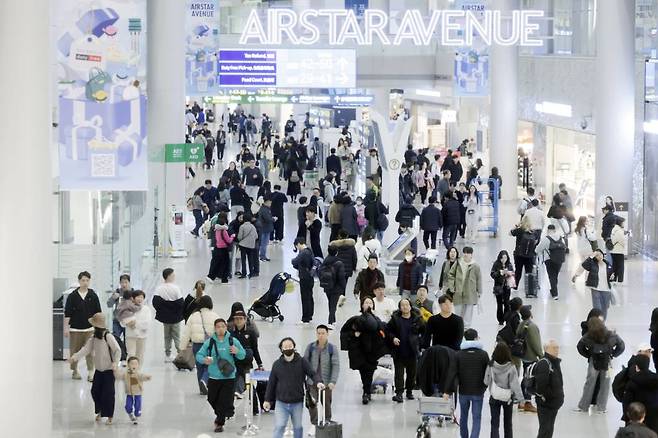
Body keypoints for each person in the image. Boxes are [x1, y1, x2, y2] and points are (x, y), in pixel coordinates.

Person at [264, 337, 322, 438]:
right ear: (281, 349)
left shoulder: (302, 362)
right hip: (281, 402)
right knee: (280, 426)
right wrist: (267, 400)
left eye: (290, 346)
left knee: (298, 427)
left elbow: (312, 373)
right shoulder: (277, 365)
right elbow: (271, 383)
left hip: (297, 402)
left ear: (294, 347)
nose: (288, 348)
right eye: (285, 347)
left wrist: (318, 382)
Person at [195, 318, 246, 433]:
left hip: (229, 377)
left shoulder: (233, 341)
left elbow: (243, 356)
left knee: (223, 400)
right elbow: (199, 355)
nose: (221, 328)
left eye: (223, 326)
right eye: (218, 327)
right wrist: (204, 360)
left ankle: (219, 422)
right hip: (214, 377)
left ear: (226, 327)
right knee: (211, 399)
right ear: (215, 328)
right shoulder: (210, 342)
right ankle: (225, 411)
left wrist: (237, 351)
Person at [69, 313, 121, 425]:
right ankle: (100, 410)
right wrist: (74, 357)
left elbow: (117, 350)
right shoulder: (94, 337)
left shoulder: (108, 336)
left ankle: (109, 416)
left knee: (108, 394)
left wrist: (116, 363)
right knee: (95, 391)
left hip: (108, 371)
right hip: (99, 370)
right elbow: (85, 349)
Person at [340, 298, 389, 405]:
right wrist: (354, 334)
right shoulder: (355, 319)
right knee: (363, 371)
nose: (368, 304)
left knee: (369, 371)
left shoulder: (377, 320)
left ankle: (366, 391)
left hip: (372, 351)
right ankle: (366, 391)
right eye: (366, 302)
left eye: (370, 303)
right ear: (362, 305)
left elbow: (384, 331)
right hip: (359, 351)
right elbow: (345, 332)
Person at [574, 316, 625, 414]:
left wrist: (588, 355)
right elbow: (621, 345)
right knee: (605, 384)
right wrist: (613, 354)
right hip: (608, 362)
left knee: (589, 383)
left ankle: (583, 406)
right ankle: (602, 408)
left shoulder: (589, 336)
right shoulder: (611, 335)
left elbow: (580, 346)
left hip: (594, 361)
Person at [451, 328, 490, 438]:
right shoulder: (483, 354)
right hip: (478, 391)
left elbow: (453, 372)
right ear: (476, 338)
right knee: (476, 417)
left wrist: (449, 389)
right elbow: (488, 372)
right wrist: (485, 386)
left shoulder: (458, 354)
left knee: (463, 416)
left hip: (463, 391)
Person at [64, 271, 102, 381]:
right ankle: (75, 371)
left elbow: (98, 312)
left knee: (90, 351)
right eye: (83, 280)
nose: (85, 282)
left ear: (89, 281)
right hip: (75, 328)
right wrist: (66, 328)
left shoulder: (93, 295)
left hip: (90, 328)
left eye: (87, 280)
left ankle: (91, 372)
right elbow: (68, 313)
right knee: (75, 351)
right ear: (79, 281)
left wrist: (99, 328)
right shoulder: (72, 296)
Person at [303, 326, 340, 436]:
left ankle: (327, 422)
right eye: (318, 333)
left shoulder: (332, 349)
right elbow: (305, 363)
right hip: (312, 382)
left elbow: (335, 365)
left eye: (323, 333)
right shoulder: (310, 347)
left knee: (327, 404)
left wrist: (333, 381)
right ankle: (314, 424)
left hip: (326, 382)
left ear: (327, 334)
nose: (320, 335)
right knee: (312, 404)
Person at [180, 295, 219, 395]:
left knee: (200, 366)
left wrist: (182, 347)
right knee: (209, 365)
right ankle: (205, 381)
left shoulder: (193, 316)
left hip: (197, 345)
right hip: (210, 344)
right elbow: (220, 331)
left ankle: (202, 389)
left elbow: (186, 333)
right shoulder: (215, 316)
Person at [387, 298, 424, 403]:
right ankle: (399, 393)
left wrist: (419, 343)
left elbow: (424, 331)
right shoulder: (395, 319)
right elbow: (388, 330)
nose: (405, 307)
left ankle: (409, 391)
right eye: (402, 305)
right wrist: (393, 338)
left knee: (411, 374)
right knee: (399, 374)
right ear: (399, 307)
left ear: (410, 306)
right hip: (399, 351)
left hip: (412, 351)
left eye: (407, 304)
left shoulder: (417, 319)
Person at [485, 343, 524, 438]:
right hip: (507, 398)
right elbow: (515, 385)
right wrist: (521, 399)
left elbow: (486, 381)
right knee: (508, 423)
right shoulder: (511, 366)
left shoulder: (491, 365)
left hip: (494, 396)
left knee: (494, 423)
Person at [228, 305, 263, 397]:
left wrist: (260, 363)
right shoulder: (230, 333)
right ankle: (238, 391)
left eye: (240, 318)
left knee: (248, 382)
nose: (238, 321)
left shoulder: (251, 332)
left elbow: (255, 348)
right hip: (235, 362)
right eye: (236, 319)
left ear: (245, 319)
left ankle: (254, 406)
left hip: (247, 361)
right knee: (237, 377)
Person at [152, 268, 184, 362]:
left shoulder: (159, 288)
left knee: (167, 336)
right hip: (175, 317)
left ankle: (167, 354)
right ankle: (180, 355)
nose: (174, 277)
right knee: (177, 336)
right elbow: (181, 302)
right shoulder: (175, 288)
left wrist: (163, 309)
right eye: (173, 275)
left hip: (165, 317)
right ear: (169, 276)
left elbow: (155, 302)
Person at [534, 340, 564, 438]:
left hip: (552, 404)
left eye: (557, 347)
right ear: (547, 349)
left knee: (548, 429)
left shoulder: (554, 362)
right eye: (554, 348)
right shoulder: (544, 364)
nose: (557, 350)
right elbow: (541, 386)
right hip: (546, 404)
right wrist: (552, 395)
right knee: (545, 430)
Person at [572, 249, 614, 319]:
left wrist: (612, 276)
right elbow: (584, 265)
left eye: (600, 254)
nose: (599, 256)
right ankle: (597, 325)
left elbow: (611, 275)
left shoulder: (608, 264)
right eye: (597, 255)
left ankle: (602, 324)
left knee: (605, 308)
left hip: (606, 289)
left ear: (603, 254)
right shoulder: (592, 264)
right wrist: (591, 257)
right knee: (597, 309)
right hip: (595, 289)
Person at [447, 246, 482, 328]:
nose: (466, 255)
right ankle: (456, 327)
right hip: (458, 292)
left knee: (468, 313)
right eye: (465, 253)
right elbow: (451, 274)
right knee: (457, 311)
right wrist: (452, 287)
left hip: (470, 292)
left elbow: (479, 279)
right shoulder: (458, 263)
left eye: (468, 253)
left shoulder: (475, 266)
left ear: (471, 255)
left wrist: (479, 291)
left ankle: (466, 328)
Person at [517, 305, 542, 413]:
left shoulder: (521, 324)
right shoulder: (532, 326)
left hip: (523, 355)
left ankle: (521, 401)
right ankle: (527, 401)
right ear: (530, 314)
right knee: (529, 379)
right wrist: (541, 355)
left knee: (525, 376)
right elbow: (536, 343)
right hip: (531, 356)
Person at [107, 274, 133, 363]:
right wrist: (113, 298)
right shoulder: (117, 292)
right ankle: (119, 356)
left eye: (126, 282)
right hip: (117, 320)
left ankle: (125, 357)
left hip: (128, 321)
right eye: (122, 282)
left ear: (129, 283)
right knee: (115, 338)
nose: (124, 284)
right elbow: (109, 305)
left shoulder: (133, 293)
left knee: (128, 339)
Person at [117, 356, 151, 425]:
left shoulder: (138, 374)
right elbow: (119, 376)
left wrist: (147, 377)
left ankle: (136, 416)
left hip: (138, 393)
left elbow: (143, 377)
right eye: (132, 363)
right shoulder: (125, 374)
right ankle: (130, 413)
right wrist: (115, 371)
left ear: (138, 365)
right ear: (128, 365)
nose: (134, 365)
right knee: (128, 406)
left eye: (136, 364)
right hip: (129, 393)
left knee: (138, 405)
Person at [535, 224, 566, 300]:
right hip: (560, 259)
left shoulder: (546, 239)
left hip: (549, 260)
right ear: (555, 230)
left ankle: (555, 294)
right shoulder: (561, 238)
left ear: (548, 230)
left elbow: (537, 249)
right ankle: (553, 289)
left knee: (551, 276)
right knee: (555, 275)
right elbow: (564, 247)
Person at [318, 246, 347, 329]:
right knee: (333, 305)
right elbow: (341, 276)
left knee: (331, 303)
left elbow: (320, 272)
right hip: (336, 287)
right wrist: (343, 286)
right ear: (337, 252)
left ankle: (333, 320)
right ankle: (330, 322)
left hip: (327, 286)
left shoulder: (325, 261)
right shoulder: (339, 263)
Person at [510, 215, 537, 297]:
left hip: (519, 254)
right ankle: (529, 290)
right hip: (530, 255)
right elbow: (536, 242)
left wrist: (516, 225)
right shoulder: (534, 232)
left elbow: (510, 233)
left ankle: (515, 287)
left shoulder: (519, 230)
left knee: (518, 271)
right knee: (529, 272)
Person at [122, 290, 151, 365]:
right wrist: (128, 323)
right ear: (133, 298)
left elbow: (147, 323)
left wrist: (135, 324)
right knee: (131, 354)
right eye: (138, 297)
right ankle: (130, 372)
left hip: (142, 335)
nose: (140, 299)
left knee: (140, 355)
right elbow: (122, 322)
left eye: (142, 297)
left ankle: (138, 372)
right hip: (130, 335)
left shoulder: (146, 309)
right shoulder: (127, 308)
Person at [292, 237, 315, 325]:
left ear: (298, 244)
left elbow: (295, 261)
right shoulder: (309, 250)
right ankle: (310, 315)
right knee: (310, 296)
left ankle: (305, 318)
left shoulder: (303, 253)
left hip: (304, 277)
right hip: (310, 277)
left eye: (296, 246)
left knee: (305, 297)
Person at [490, 250, 515, 326]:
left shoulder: (509, 265)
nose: (504, 260)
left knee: (507, 303)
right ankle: (500, 319)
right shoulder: (496, 264)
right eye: (502, 258)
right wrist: (500, 273)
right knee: (499, 304)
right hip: (498, 287)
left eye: (505, 258)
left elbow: (513, 273)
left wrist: (509, 273)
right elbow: (492, 274)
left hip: (507, 287)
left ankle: (507, 318)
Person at [214, 214, 236, 284]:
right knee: (226, 263)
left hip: (218, 247)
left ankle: (216, 275)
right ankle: (224, 279)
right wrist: (232, 236)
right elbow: (229, 240)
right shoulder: (224, 231)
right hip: (224, 248)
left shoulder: (216, 230)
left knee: (218, 262)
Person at [256, 197, 274, 262]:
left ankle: (262, 255)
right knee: (264, 243)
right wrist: (273, 219)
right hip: (265, 229)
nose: (271, 204)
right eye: (270, 202)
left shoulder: (264, 209)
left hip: (265, 228)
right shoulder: (265, 210)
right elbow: (268, 218)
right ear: (266, 202)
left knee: (264, 243)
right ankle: (262, 256)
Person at [610, 216, 627, 283]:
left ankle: (613, 279)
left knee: (614, 266)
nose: (624, 224)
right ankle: (620, 280)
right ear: (620, 223)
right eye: (623, 222)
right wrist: (624, 245)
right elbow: (622, 241)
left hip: (613, 251)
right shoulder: (619, 231)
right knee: (620, 266)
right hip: (619, 251)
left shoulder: (613, 229)